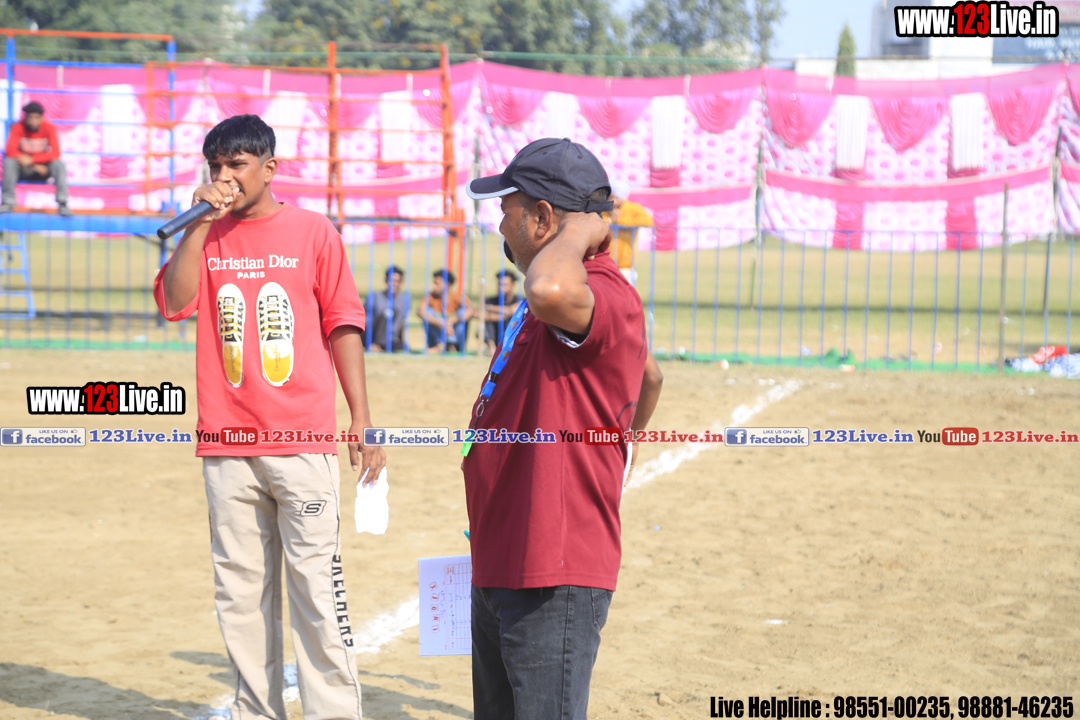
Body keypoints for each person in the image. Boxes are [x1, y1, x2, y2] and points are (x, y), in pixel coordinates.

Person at [153, 114, 385, 720]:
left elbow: (343, 324)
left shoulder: (313, 232)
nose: (225, 176)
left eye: (237, 164)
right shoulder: (206, 234)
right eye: (215, 166)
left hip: (303, 443)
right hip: (226, 446)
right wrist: (199, 224)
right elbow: (175, 302)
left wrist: (361, 417)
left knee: (317, 595)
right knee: (240, 597)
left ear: (269, 168)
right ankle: (257, 712)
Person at [462, 137, 665, 720]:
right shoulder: (563, 294)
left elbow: (548, 287)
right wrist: (622, 442)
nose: (501, 224)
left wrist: (580, 231)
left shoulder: (590, 290)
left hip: (551, 571)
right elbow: (649, 375)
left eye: (508, 209)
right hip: (504, 552)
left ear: (544, 217)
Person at [2, 101, 70, 216]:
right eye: (31, 117)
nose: (33, 121)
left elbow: (55, 153)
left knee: (59, 164)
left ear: (41, 118)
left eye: (37, 117)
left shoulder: (49, 127)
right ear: (25, 117)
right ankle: (8, 202)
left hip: (43, 170)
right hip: (24, 169)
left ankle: (63, 203)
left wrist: (32, 160)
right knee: (9, 162)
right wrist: (33, 165)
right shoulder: (18, 127)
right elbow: (10, 150)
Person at [418, 268, 475, 353]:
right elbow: (420, 311)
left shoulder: (458, 297)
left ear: (447, 285)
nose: (433, 286)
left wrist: (449, 322)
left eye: (437, 283)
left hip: (455, 335)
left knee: (463, 312)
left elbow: (471, 311)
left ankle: (448, 344)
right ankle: (443, 345)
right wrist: (440, 324)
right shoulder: (430, 297)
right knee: (427, 312)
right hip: (437, 335)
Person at [605, 181, 652, 285]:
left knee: (625, 292)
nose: (613, 201)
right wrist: (610, 220)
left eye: (616, 197)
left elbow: (648, 221)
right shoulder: (603, 209)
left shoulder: (634, 208)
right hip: (605, 263)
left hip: (625, 265)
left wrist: (620, 220)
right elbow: (597, 223)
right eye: (611, 197)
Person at [365, 265, 410, 352]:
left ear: (401, 282)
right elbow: (364, 319)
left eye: (398, 281)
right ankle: (376, 345)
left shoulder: (406, 298)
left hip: (392, 339)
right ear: (386, 280)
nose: (394, 284)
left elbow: (401, 322)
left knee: (404, 347)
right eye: (392, 280)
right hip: (373, 337)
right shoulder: (374, 297)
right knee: (387, 313)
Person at [481, 268, 522, 354]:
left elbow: (512, 311)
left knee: (513, 321)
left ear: (513, 285)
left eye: (504, 285)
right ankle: (492, 348)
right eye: (499, 284)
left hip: (512, 336)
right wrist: (504, 315)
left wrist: (490, 308)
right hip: (494, 335)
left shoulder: (519, 299)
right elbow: (478, 313)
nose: (501, 288)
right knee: (484, 324)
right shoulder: (490, 300)